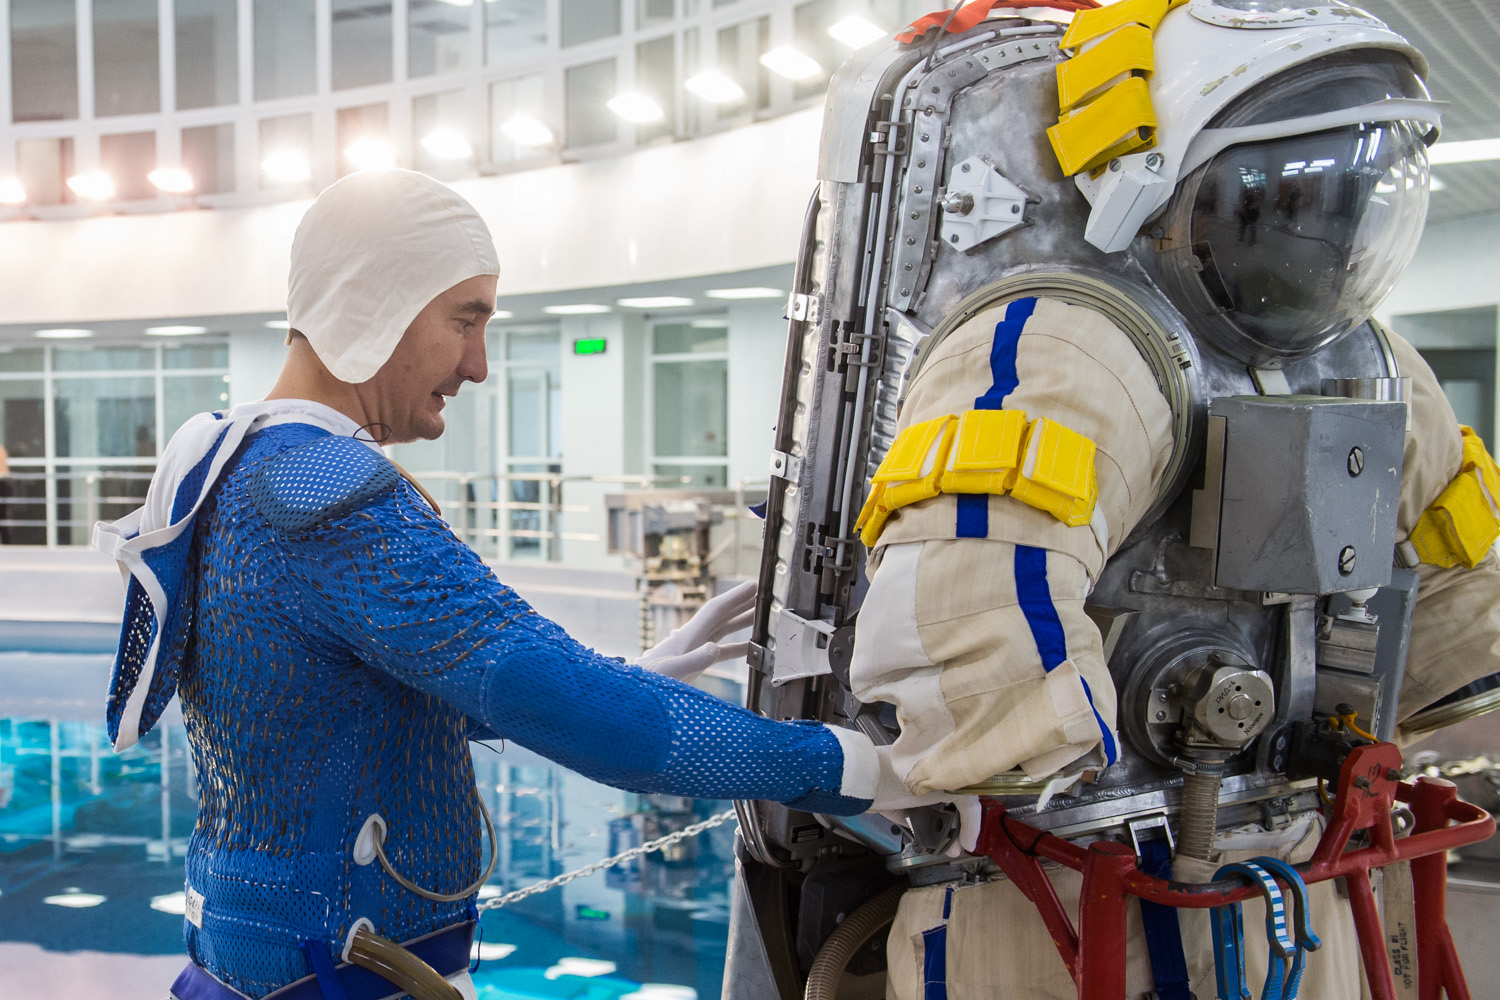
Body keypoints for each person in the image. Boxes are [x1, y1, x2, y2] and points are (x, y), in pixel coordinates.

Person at [728, 1, 1500, 997]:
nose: (1325, 230)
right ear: (1168, 183)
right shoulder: (1069, 342)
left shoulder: (1374, 367)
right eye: (1296, 197)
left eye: (1355, 196)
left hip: (1298, 873)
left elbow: (1461, 619)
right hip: (1064, 894)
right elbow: (974, 631)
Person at [92, 169, 971, 1000]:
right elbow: (567, 710)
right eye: (464, 320)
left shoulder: (227, 464)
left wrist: (634, 670)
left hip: (255, 962)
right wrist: (870, 768)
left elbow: (341, 699)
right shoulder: (326, 497)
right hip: (341, 972)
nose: (477, 365)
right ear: (377, 305)